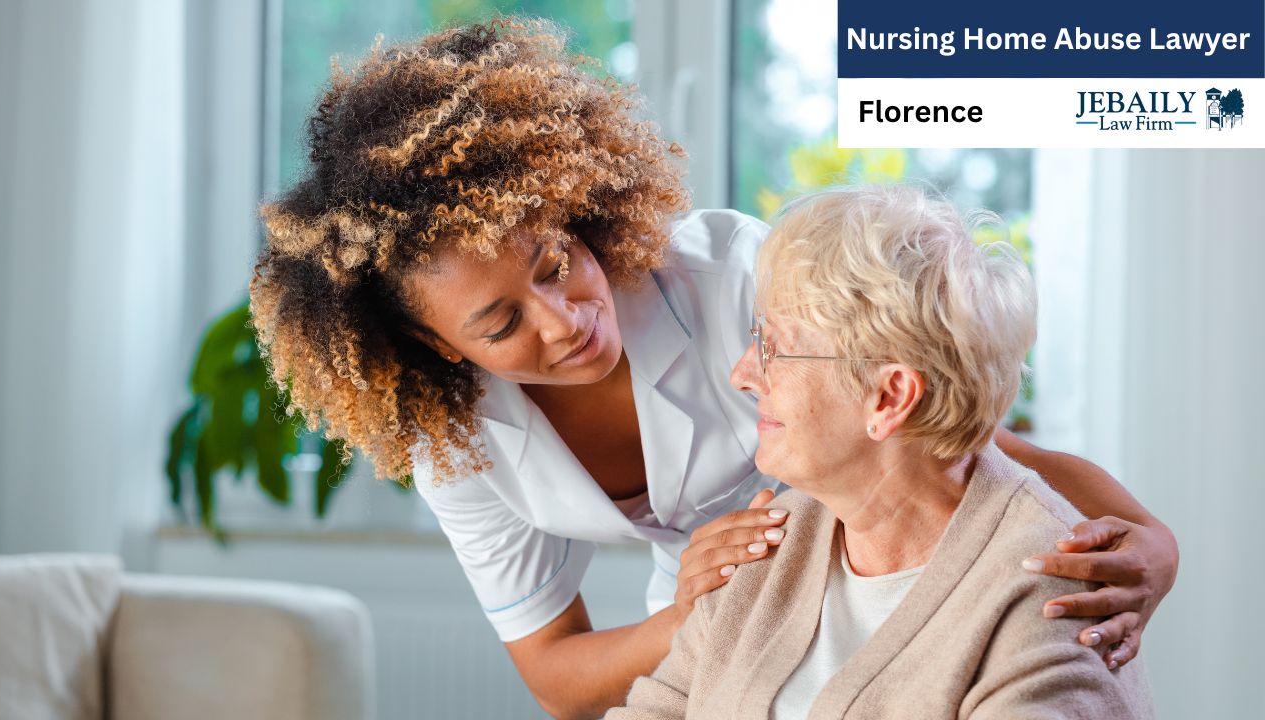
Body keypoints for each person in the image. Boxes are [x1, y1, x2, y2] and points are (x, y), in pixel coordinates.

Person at [247, 18, 1176, 719]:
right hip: (729, 607)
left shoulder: (733, 278)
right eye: (502, 323)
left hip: (878, 557)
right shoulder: (457, 438)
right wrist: (693, 607)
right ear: (442, 349)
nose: (568, 320)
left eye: (556, 262)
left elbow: (956, 434)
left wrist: (1150, 539)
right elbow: (559, 675)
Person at [607, 185, 1154, 719]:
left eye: (775, 347)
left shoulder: (1048, 607)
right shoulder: (770, 539)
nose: (743, 373)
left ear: (889, 397)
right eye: (755, 336)